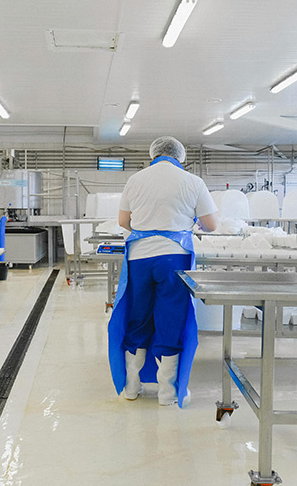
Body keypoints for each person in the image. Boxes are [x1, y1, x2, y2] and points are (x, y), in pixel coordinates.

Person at [108, 136, 218, 407]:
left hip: (139, 258)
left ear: (153, 154)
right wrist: (189, 223)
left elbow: (123, 221)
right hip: (174, 258)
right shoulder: (193, 181)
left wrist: (147, 229)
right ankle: (167, 392)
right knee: (171, 318)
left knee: (138, 318)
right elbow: (211, 224)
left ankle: (131, 388)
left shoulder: (135, 179)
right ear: (180, 156)